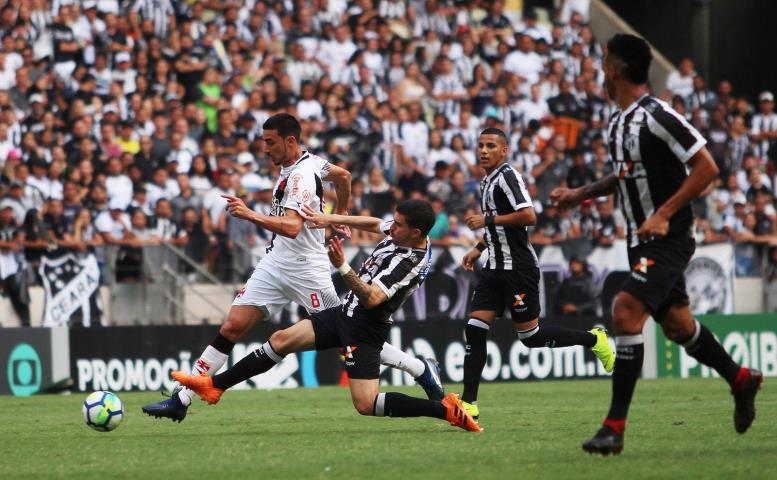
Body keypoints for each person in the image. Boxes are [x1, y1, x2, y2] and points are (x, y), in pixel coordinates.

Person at [143, 114, 443, 422]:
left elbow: (290, 227)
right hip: (275, 263)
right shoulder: (312, 162)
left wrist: (249, 214)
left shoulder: (301, 177)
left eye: (269, 142)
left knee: (348, 335)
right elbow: (343, 176)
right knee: (232, 326)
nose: (265, 149)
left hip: (306, 268)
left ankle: (419, 368)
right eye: (263, 142)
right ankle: (182, 399)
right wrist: (338, 214)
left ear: (290, 141)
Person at [550, 34, 763, 456]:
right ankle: (741, 379)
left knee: (624, 313)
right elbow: (626, 177)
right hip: (638, 239)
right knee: (679, 327)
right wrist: (581, 194)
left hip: (669, 237)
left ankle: (613, 428)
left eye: (603, 61)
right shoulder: (618, 123)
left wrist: (665, 213)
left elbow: (706, 167)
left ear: (616, 69)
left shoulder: (656, 115)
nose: (599, 69)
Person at [171, 200, 480, 433]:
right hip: (345, 314)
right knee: (280, 340)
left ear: (415, 233)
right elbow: (375, 224)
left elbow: (372, 298)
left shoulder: (409, 261)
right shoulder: (404, 232)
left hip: (365, 328)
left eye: (397, 225)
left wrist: (343, 266)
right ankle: (215, 386)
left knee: (366, 405)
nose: (391, 227)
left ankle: (445, 411)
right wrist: (327, 218)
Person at [458, 127, 615, 421]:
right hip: (494, 267)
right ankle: (469, 403)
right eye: (480, 145)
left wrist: (487, 219)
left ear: (504, 151)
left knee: (530, 337)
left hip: (519, 269)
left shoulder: (507, 176)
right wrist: (479, 248)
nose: (483, 150)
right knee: (474, 329)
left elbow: (529, 216)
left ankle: (594, 340)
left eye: (491, 145)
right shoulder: (486, 181)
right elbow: (499, 227)